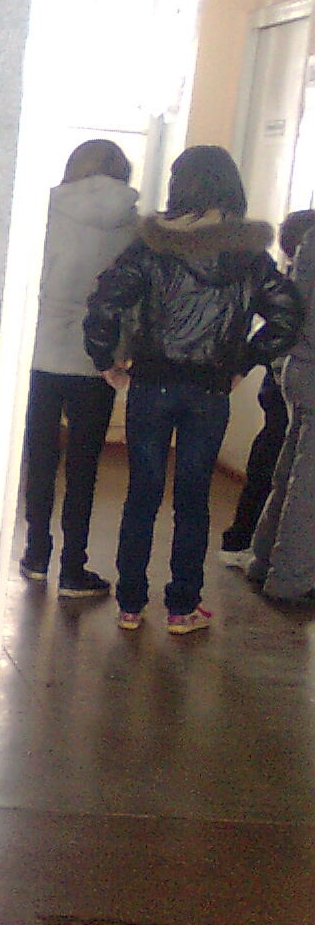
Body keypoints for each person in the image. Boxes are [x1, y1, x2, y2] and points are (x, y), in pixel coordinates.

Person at [84, 144, 302, 634]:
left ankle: (130, 604)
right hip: (209, 391)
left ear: (179, 185)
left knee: (141, 494)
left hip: (151, 385)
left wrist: (105, 361)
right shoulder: (248, 255)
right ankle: (182, 608)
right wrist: (243, 362)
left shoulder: (151, 245)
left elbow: (105, 302)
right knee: (194, 498)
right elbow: (287, 315)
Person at [19, 139, 139, 596]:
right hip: (98, 360)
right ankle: (73, 569)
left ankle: (35, 554)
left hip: (41, 354)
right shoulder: (134, 225)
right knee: (85, 467)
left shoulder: (46, 212)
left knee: (40, 459)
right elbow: (133, 299)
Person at [219, 208, 315, 563]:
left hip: (279, 383)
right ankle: (254, 544)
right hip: (290, 380)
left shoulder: (291, 279)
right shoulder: (294, 284)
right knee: (279, 468)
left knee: (270, 461)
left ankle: (244, 539)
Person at [247, 221, 315, 602]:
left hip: (299, 366)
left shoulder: (311, 238)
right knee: (307, 488)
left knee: (290, 474)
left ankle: (263, 560)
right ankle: (291, 579)